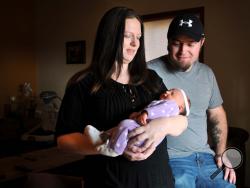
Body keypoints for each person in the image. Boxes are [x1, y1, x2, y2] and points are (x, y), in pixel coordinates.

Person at [55, 7, 187, 188]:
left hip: (158, 181)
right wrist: (111, 146)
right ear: (109, 37)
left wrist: (162, 126)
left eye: (138, 37)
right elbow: (64, 141)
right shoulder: (83, 83)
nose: (135, 43)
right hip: (109, 181)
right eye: (127, 36)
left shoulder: (151, 79)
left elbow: (182, 120)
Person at [145, 14, 236, 187]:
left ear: (202, 42)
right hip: (171, 160)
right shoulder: (148, 72)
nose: (182, 51)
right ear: (168, 42)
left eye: (190, 44)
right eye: (176, 43)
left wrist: (221, 154)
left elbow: (217, 114)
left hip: (207, 159)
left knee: (228, 185)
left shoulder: (207, 73)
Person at [85, 88, 190, 156]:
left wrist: (145, 113)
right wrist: (137, 114)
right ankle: (103, 137)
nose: (167, 92)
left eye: (172, 93)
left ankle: (114, 149)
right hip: (141, 133)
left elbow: (155, 111)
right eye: (169, 90)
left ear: (180, 108)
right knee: (119, 128)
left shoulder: (171, 106)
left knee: (124, 125)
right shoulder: (164, 104)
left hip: (143, 134)